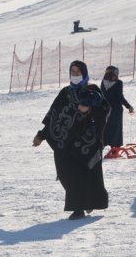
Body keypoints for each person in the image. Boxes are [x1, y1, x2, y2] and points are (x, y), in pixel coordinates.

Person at [32, 60, 109, 220]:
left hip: (86, 143)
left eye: (77, 72)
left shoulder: (92, 90)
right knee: (65, 174)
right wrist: (41, 135)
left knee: (82, 176)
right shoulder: (65, 93)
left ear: (84, 73)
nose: (74, 74)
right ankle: (84, 202)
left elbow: (105, 110)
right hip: (65, 143)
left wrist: (89, 108)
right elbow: (53, 115)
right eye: (72, 71)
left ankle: (79, 207)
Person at [100, 65, 135, 157]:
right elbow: (120, 98)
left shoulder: (103, 82)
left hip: (105, 110)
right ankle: (115, 149)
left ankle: (101, 146)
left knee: (105, 128)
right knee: (116, 130)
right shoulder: (118, 83)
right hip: (116, 110)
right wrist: (129, 107)